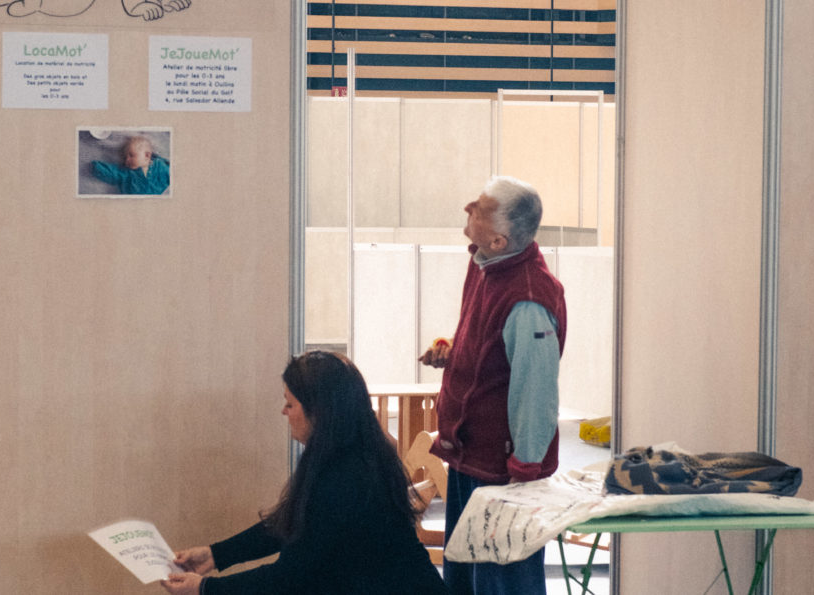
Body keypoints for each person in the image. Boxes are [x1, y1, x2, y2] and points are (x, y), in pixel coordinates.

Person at [161, 351, 448, 595]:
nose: (284, 412)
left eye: (290, 403)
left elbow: (290, 578)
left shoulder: (347, 478)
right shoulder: (351, 455)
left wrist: (205, 588)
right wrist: (214, 554)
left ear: (320, 412)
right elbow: (290, 524)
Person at [419, 176, 567, 595]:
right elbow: (492, 348)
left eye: (479, 209)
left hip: (503, 473)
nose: (468, 207)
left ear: (501, 240)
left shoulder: (528, 300)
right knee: (466, 576)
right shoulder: (487, 263)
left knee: (502, 582)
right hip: (471, 456)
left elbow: (535, 395)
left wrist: (524, 473)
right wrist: (453, 351)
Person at [91, 135, 171, 194]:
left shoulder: (160, 166)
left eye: (131, 155)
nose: (127, 160)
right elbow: (112, 173)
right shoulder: (126, 173)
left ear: (147, 155)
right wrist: (96, 167)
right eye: (125, 157)